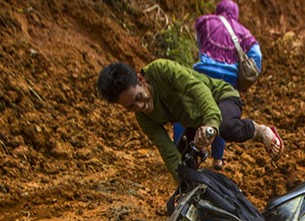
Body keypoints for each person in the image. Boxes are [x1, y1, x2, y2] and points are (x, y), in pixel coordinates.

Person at [97, 59, 283, 190]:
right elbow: (168, 151)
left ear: (141, 80)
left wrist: (211, 123)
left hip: (220, 97)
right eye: (131, 107)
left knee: (228, 127)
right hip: (196, 121)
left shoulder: (161, 69)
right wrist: (184, 184)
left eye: (139, 97)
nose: (140, 106)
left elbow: (197, 88)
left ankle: (260, 130)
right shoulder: (144, 118)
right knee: (184, 166)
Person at [174, 0, 264, 171]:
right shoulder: (244, 33)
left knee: (185, 110)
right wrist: (243, 72)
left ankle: (178, 151)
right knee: (221, 115)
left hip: (203, 75)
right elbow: (256, 55)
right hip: (227, 81)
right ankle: (217, 160)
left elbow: (200, 44)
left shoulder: (206, 21)